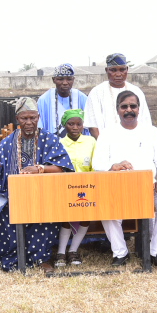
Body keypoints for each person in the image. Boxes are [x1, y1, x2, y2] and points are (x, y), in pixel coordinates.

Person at [0, 98, 73, 274]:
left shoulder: (50, 139)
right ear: (18, 119)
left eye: (32, 118)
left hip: (44, 195)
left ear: (38, 117)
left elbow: (63, 168)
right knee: (4, 214)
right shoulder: (7, 143)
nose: (29, 122)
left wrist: (40, 168)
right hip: (14, 196)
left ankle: (43, 258)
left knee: (45, 214)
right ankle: (14, 256)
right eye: (24, 118)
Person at [91, 90, 157, 268]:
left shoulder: (151, 131)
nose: (129, 110)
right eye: (124, 106)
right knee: (107, 208)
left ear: (139, 109)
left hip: (149, 187)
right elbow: (97, 163)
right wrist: (113, 166)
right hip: (118, 188)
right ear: (117, 110)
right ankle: (120, 253)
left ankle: (155, 252)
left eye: (133, 106)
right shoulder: (107, 133)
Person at [56, 109, 95, 266]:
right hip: (65, 187)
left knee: (86, 218)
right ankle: (60, 252)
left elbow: (95, 164)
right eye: (71, 124)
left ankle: (73, 250)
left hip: (88, 186)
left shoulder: (91, 141)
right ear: (65, 125)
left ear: (83, 125)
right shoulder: (59, 143)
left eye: (79, 124)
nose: (75, 127)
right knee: (67, 218)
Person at [84, 53, 151, 139]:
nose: (118, 74)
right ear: (106, 70)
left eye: (122, 70)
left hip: (135, 142)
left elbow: (145, 121)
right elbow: (92, 125)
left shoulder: (136, 91)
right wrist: (104, 145)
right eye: (113, 70)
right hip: (106, 143)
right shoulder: (97, 92)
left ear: (127, 69)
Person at [37, 64, 89, 137]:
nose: (65, 83)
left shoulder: (82, 98)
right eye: (60, 79)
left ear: (73, 79)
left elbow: (89, 127)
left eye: (69, 79)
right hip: (52, 145)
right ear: (53, 80)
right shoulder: (44, 100)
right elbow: (40, 128)